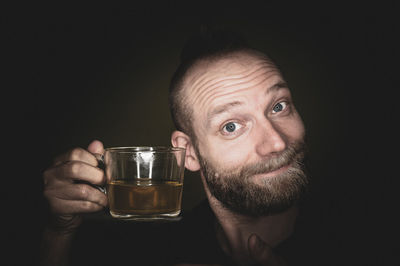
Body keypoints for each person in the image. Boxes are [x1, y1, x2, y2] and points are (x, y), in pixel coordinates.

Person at [41, 28, 312, 266]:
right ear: (189, 152)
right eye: (231, 126)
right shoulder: (158, 247)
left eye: (279, 107)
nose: (277, 142)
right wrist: (59, 233)